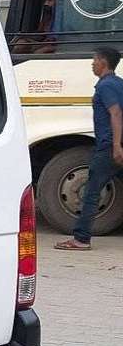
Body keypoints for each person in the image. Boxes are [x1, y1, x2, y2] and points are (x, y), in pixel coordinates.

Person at [55, 47, 123, 250]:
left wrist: (116, 145)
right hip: (114, 144)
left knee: (91, 192)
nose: (92, 64)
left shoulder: (106, 86)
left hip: (109, 147)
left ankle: (81, 239)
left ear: (103, 62)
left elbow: (116, 113)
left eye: (94, 60)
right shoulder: (118, 83)